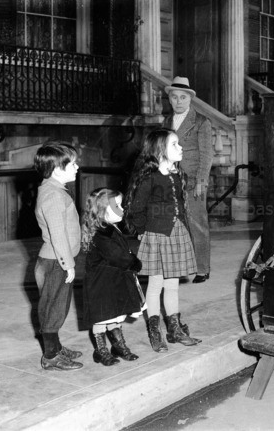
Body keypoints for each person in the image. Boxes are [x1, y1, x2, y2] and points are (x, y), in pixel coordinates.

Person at [125, 128, 201, 352]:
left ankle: (175, 329)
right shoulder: (150, 178)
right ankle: (154, 331)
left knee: (173, 285)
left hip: (176, 233)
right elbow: (136, 208)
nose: (181, 148)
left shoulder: (177, 175)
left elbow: (180, 205)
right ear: (160, 150)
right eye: (174, 144)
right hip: (157, 235)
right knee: (155, 284)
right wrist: (142, 232)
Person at [33, 141, 83, 371]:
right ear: (56, 169)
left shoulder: (54, 189)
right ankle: (50, 356)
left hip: (56, 260)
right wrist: (68, 264)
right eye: (72, 164)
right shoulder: (53, 196)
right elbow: (58, 234)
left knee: (58, 306)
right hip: (55, 261)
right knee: (53, 309)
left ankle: (56, 347)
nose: (77, 167)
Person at [81, 188, 143, 366]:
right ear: (103, 211)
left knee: (115, 314)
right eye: (117, 206)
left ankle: (118, 345)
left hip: (113, 281)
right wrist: (134, 262)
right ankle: (100, 350)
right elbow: (117, 255)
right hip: (101, 284)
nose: (122, 209)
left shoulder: (111, 228)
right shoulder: (101, 234)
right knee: (102, 317)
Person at [163, 77, 213, 283]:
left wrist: (201, 181)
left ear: (190, 99)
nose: (178, 101)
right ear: (170, 99)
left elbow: (207, 155)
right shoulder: (166, 122)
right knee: (175, 223)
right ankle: (180, 267)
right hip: (170, 178)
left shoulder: (201, 121)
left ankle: (202, 268)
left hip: (193, 181)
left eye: (183, 97)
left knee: (197, 224)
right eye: (174, 97)